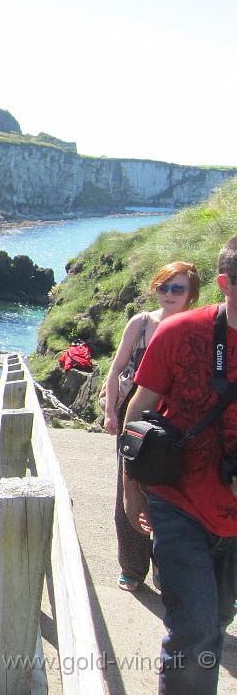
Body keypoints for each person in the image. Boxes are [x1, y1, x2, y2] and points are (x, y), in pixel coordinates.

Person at [122, 237, 237, 694]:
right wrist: (133, 491)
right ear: (226, 284)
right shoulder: (180, 334)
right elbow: (137, 412)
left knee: (214, 622)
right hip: (180, 505)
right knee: (194, 633)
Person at [103, 262, 201, 592]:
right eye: (163, 287)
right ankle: (132, 566)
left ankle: (163, 565)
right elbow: (116, 369)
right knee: (129, 490)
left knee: (171, 494)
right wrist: (111, 414)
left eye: (178, 289)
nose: (169, 294)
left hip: (176, 420)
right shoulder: (141, 323)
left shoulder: (197, 328)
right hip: (137, 415)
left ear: (192, 294)